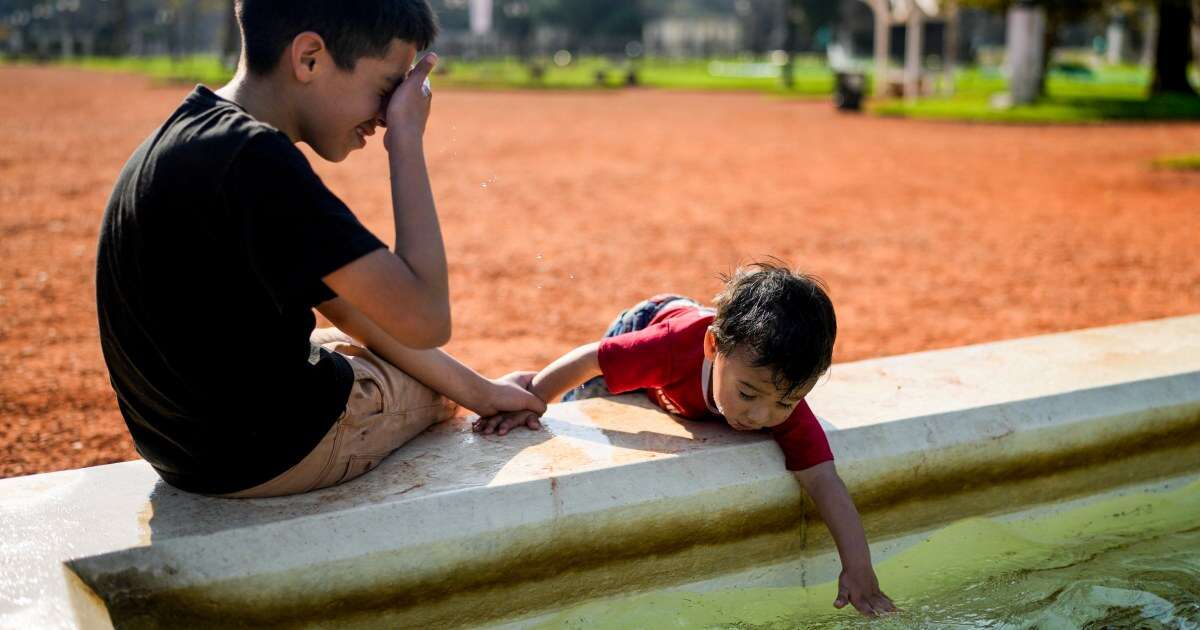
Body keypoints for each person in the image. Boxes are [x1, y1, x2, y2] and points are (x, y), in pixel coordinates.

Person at [95, 0, 544, 498]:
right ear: (309, 57)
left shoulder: (191, 134)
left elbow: (348, 305)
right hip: (271, 455)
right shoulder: (258, 159)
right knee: (431, 388)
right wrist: (408, 140)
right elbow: (427, 319)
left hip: (179, 452)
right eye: (387, 89)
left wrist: (482, 388)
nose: (387, 114)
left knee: (350, 340)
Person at [474, 262, 897, 617]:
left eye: (785, 404)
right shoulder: (671, 349)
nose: (761, 417)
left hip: (710, 349)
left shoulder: (776, 391)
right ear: (714, 347)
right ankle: (522, 383)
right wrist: (536, 400)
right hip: (651, 319)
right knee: (587, 397)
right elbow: (590, 358)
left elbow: (824, 480)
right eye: (747, 395)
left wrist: (858, 567)